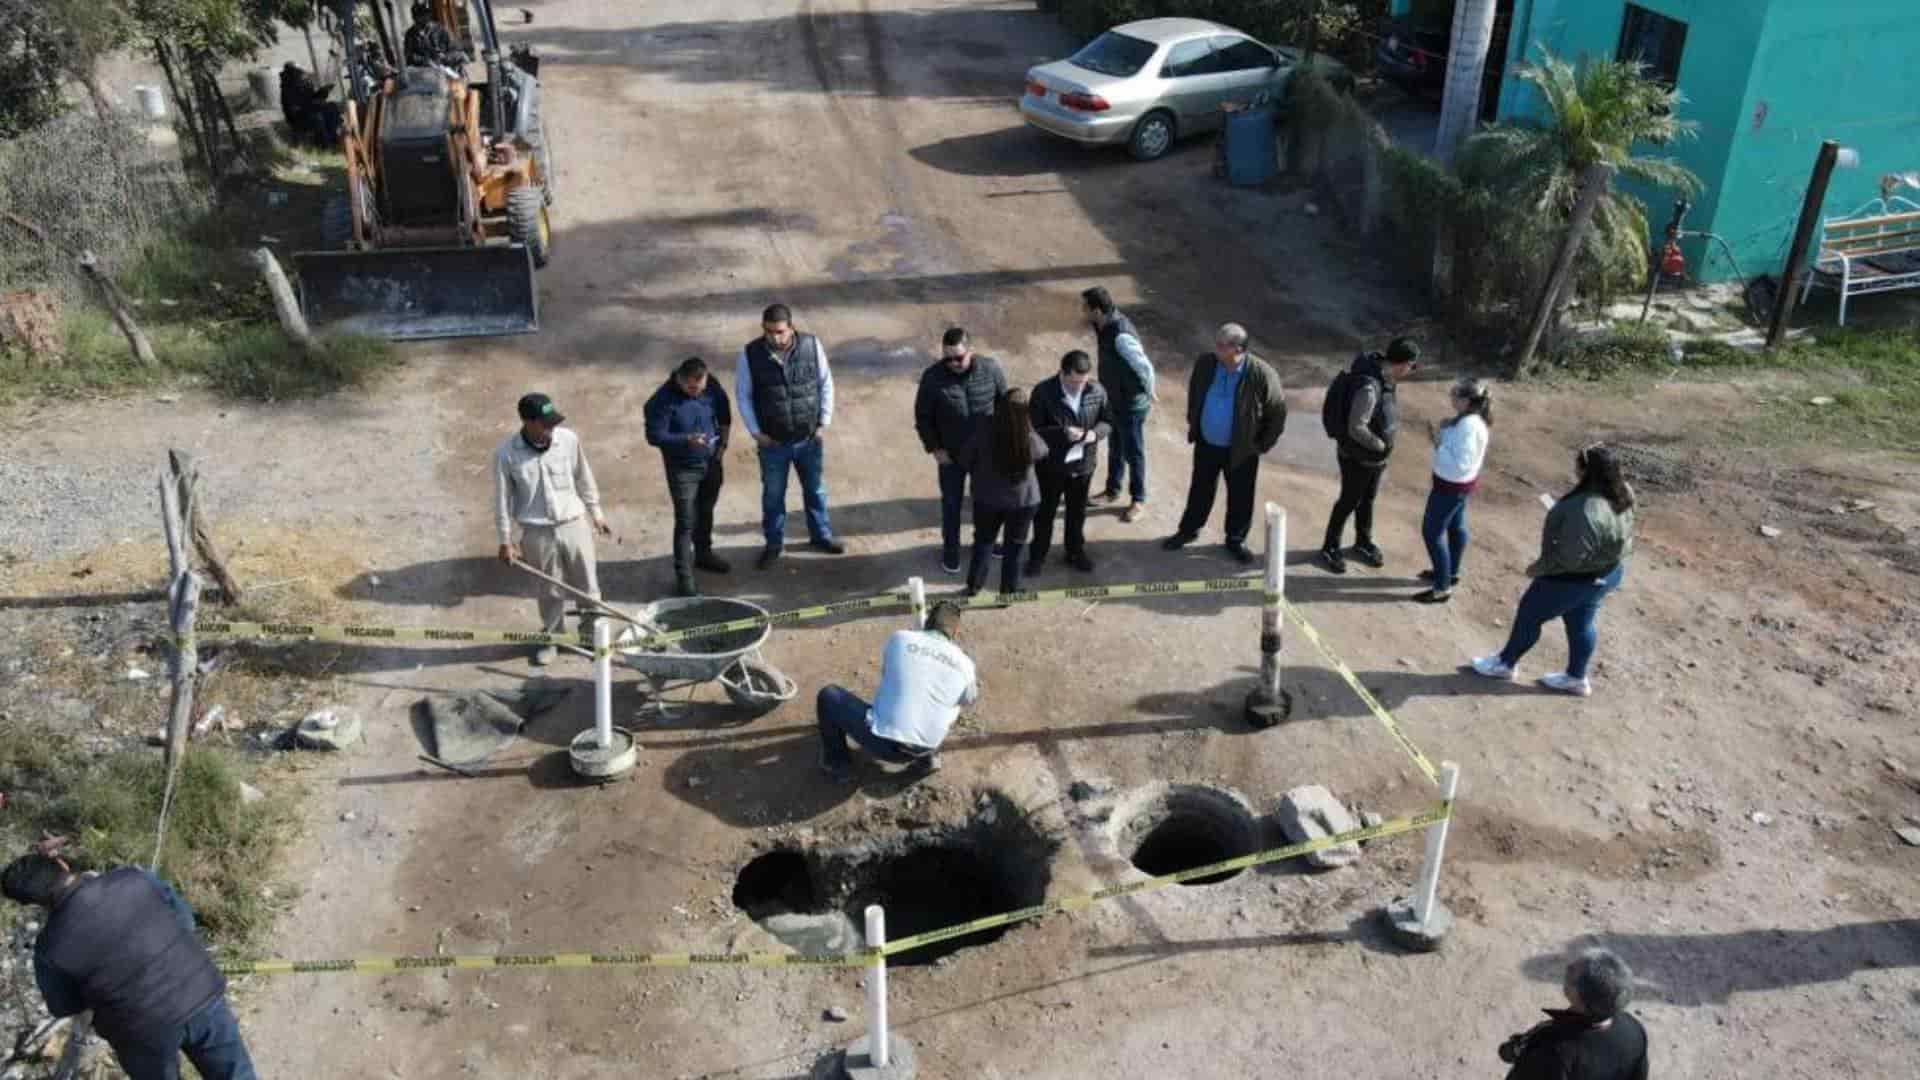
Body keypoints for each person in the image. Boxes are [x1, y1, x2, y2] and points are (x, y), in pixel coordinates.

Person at [2, 852, 257, 1080]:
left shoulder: (49, 950)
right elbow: (185, 921)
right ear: (62, 863)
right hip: (200, 993)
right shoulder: (134, 878)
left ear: (32, 903)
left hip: (141, 1031)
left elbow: (64, 1006)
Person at [1470, 444, 1635, 697]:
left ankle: (1505, 664)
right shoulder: (1623, 492)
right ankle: (1576, 678)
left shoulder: (1583, 508)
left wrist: (1541, 569)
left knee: (1529, 615)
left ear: (1586, 471)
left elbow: (1571, 557)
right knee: (1581, 622)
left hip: (1573, 580)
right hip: (1608, 573)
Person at [493, 392, 611, 665]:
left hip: (573, 524)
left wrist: (597, 513)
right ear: (527, 422)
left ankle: (591, 636)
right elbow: (502, 500)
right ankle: (554, 638)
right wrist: (505, 540)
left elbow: (583, 476)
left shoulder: (568, 440)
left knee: (588, 587)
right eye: (545, 423)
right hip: (537, 532)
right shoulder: (506, 455)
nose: (551, 428)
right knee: (549, 590)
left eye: (553, 422)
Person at [1162, 323, 1287, 565]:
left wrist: (1261, 445)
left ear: (1238, 349)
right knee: (1200, 489)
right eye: (1216, 343)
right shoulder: (1206, 363)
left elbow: (1278, 411)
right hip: (1207, 443)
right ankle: (1188, 531)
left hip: (1241, 450)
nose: (1215, 349)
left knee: (1240, 496)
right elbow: (1194, 392)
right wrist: (1194, 420)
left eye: (1221, 345)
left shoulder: (1261, 374)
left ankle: (1235, 540)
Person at [815, 601, 977, 783]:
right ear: (955, 633)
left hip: (886, 746)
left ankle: (837, 764)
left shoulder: (900, 639)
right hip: (928, 745)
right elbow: (969, 699)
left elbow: (888, 674)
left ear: (926, 622)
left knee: (828, 696)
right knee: (942, 701)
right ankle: (927, 760)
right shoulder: (966, 664)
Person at [735, 303, 845, 569]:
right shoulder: (750, 355)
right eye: (769, 332)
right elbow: (743, 395)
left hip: (808, 439)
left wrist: (823, 423)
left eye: (780, 332)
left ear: (791, 328)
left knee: (816, 491)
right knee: (773, 496)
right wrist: (756, 432)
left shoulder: (811, 346)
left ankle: (821, 536)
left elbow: (825, 383)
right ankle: (774, 545)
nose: (775, 337)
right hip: (773, 443)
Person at [1320, 338, 1419, 573]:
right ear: (1402, 363)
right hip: (1357, 457)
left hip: (1373, 460)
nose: (1412, 371)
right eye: (1412, 365)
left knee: (1367, 500)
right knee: (1348, 501)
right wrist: (1378, 445)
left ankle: (1362, 542)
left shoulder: (1386, 378)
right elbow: (1357, 427)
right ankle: (1330, 547)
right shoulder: (1369, 386)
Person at [914, 327, 1007, 574]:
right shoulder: (932, 378)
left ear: (971, 352)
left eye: (959, 357)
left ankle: (987, 543)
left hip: (985, 453)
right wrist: (935, 448)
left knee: (987, 502)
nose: (953, 363)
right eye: (948, 358)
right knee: (952, 505)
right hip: (951, 455)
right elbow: (923, 418)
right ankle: (951, 551)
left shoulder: (991, 370)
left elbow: (1004, 405)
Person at [644, 356, 732, 597]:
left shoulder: (711, 386)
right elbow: (654, 436)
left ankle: (704, 554)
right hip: (683, 469)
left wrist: (723, 445)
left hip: (711, 462)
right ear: (680, 380)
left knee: (706, 510)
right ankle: (684, 577)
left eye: (700, 387)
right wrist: (686, 440)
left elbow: (724, 414)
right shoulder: (661, 401)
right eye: (691, 388)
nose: (696, 392)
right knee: (685, 521)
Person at [954, 388, 1051, 597]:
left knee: (984, 543)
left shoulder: (983, 430)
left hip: (987, 499)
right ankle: (1008, 591)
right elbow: (1043, 452)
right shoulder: (1028, 435)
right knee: (1014, 548)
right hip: (1023, 501)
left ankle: (974, 586)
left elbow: (964, 459)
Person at [1499, 948, 1650, 1080]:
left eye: (1572, 973)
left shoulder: (1553, 1047)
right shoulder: (1634, 1030)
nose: (1568, 968)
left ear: (1582, 998)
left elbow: (1512, 1058)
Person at [1028, 349, 1113, 574]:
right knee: (1045, 513)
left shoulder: (1096, 391)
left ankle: (1074, 552)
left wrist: (1094, 435)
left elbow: (1107, 420)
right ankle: (1037, 556)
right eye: (1074, 382)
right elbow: (1034, 430)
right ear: (1062, 373)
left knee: (1077, 513)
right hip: (1051, 468)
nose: (1079, 387)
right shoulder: (1043, 393)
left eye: (1083, 382)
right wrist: (1063, 433)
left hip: (1083, 465)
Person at [1413, 377, 1493, 603]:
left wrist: (1439, 443)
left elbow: (1459, 463)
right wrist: (1448, 429)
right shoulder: (1472, 420)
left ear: (1467, 401)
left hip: (1450, 486)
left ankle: (1442, 587)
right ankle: (1451, 572)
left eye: (1456, 395)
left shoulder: (1469, 426)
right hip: (1461, 485)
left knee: (1432, 532)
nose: (1451, 398)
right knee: (1456, 527)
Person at [1081, 286, 1156, 523]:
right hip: (1114, 399)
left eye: (1085, 307)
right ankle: (1112, 490)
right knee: (1116, 445)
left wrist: (1150, 392)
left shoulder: (1121, 334)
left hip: (1132, 403)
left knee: (1134, 451)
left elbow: (1144, 366)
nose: (1082, 311)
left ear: (1097, 310)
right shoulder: (1102, 325)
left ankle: (1138, 499)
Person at [278, 62, 342, 148]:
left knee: (331, 107)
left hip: (309, 111)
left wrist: (323, 91)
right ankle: (325, 144)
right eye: (297, 71)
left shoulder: (302, 84)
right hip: (298, 119)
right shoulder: (287, 89)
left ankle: (334, 137)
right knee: (318, 117)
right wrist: (313, 105)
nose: (301, 72)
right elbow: (294, 110)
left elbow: (313, 98)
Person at [403, 1, 465, 69]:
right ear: (415, 17)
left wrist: (445, 57)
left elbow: (455, 50)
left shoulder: (440, 30)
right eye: (421, 15)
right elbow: (409, 57)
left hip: (445, 68)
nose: (425, 17)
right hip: (425, 72)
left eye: (426, 14)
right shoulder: (410, 35)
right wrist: (425, 61)